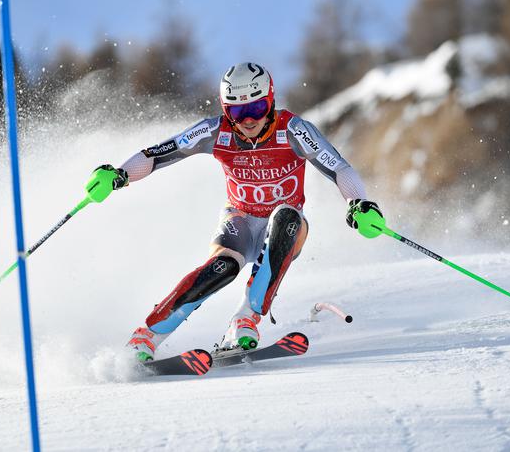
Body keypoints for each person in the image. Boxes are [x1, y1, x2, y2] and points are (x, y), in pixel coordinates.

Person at [95, 62, 382, 362]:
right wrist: (120, 175)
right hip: (241, 220)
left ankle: (245, 320)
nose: (247, 120)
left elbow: (339, 168)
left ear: (270, 101)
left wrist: (358, 203)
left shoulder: (294, 130)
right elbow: (160, 153)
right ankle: (146, 337)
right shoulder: (215, 131)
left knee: (287, 217)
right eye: (236, 111)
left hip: (285, 228)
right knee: (223, 267)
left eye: (256, 108)